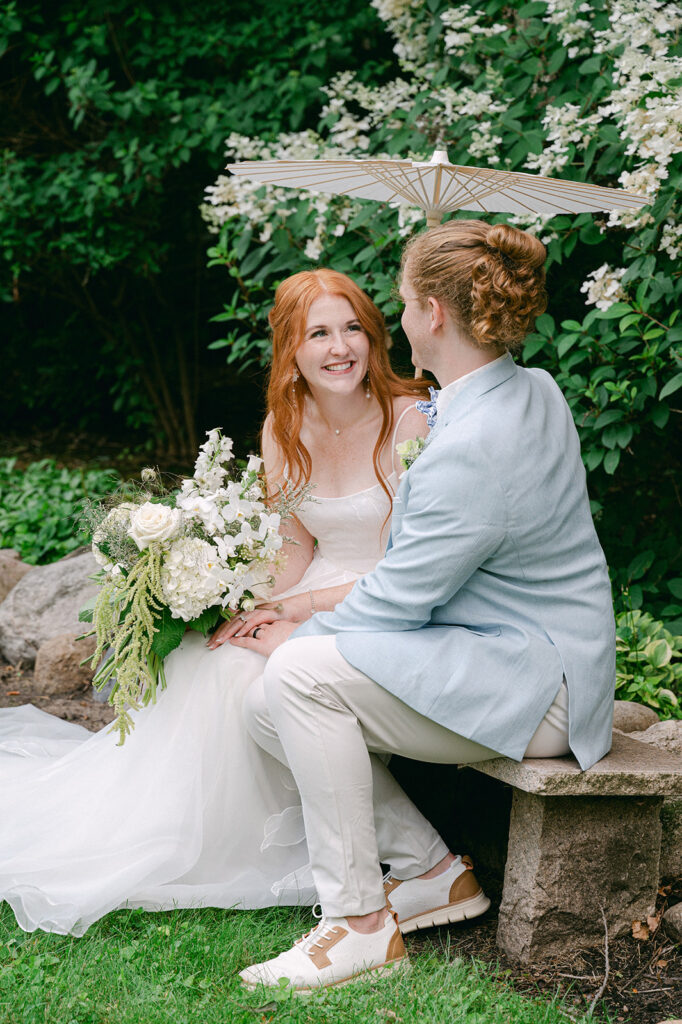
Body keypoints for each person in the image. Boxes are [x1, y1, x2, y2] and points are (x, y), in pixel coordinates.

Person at [232, 221, 617, 992]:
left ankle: (359, 927)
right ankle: (428, 871)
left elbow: (398, 601)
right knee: (263, 705)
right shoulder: (526, 387)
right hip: (526, 651)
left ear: (433, 316)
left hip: (537, 685)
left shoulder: (471, 445)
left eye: (405, 301)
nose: (397, 318)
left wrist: (298, 627)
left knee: (298, 676)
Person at [0, 269, 430, 936]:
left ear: (375, 338)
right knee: (220, 657)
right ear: (292, 348)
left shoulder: (413, 418)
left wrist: (298, 611)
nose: (339, 347)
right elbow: (291, 546)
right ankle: (175, 832)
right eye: (319, 333)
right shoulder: (285, 427)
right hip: (313, 589)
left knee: (266, 675)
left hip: (390, 602)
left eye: (352, 329)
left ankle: (371, 854)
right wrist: (225, 597)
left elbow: (416, 565)